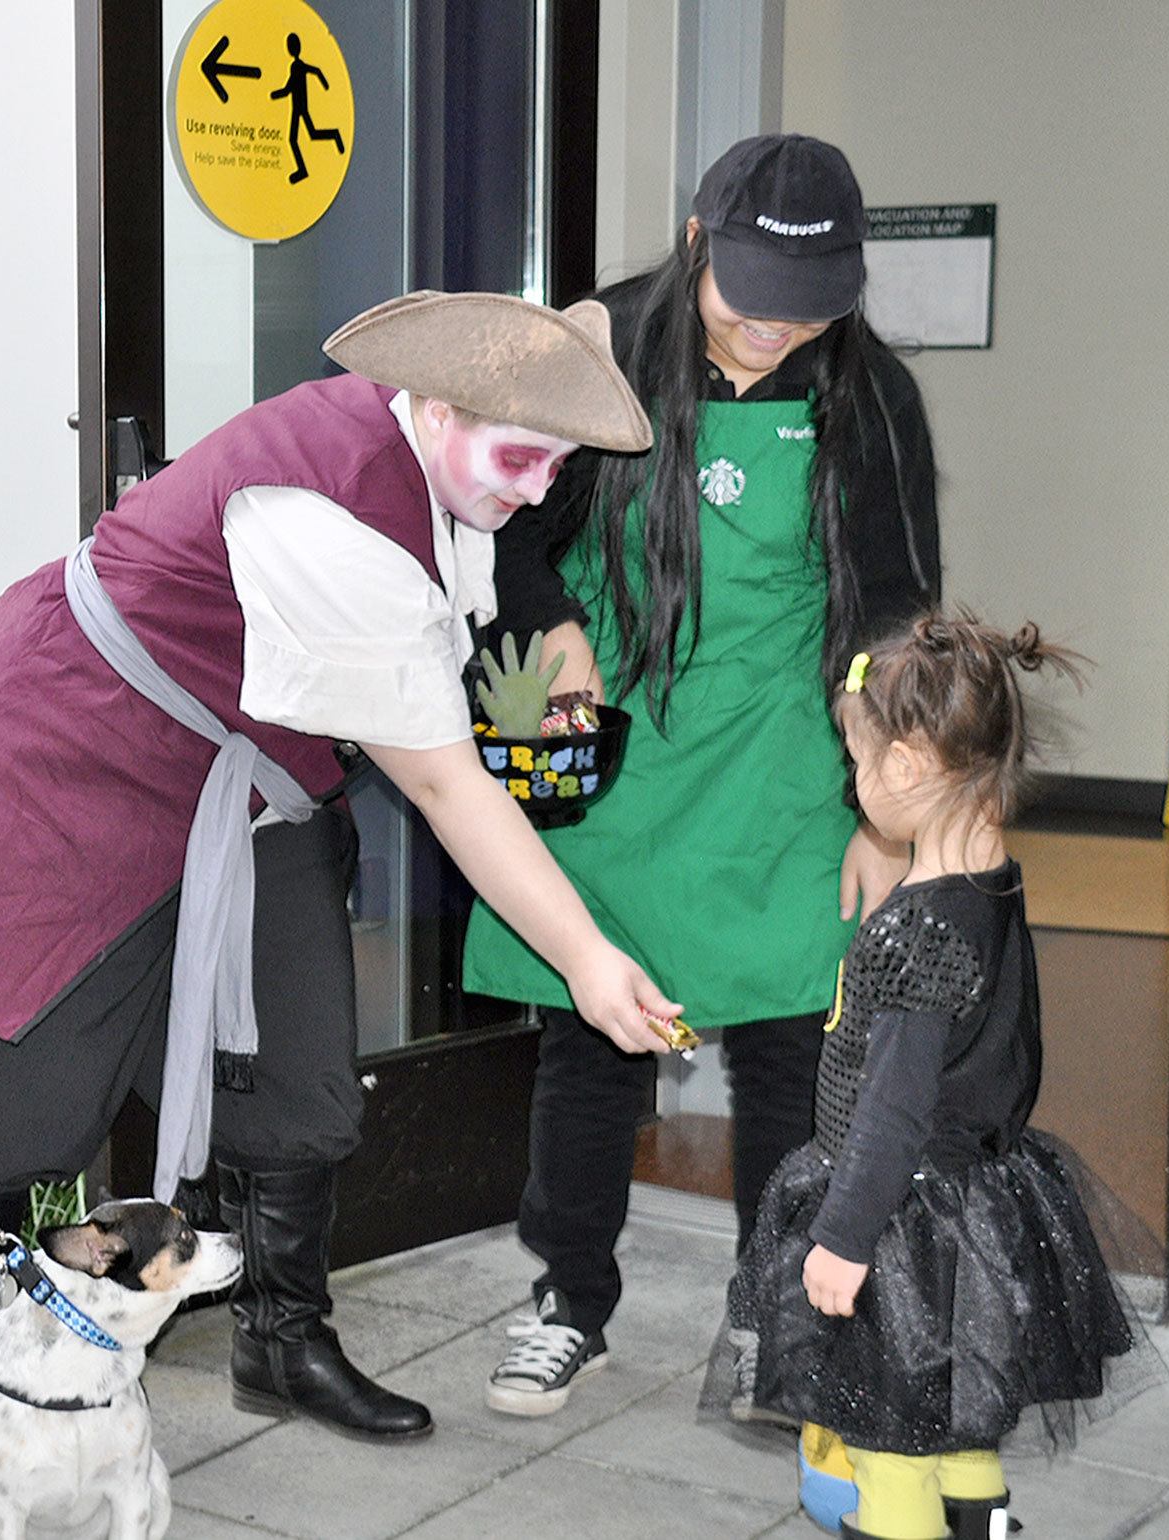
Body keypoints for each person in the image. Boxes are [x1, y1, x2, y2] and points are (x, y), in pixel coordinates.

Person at [0, 290, 684, 1488]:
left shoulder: (441, 463)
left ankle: (281, 1339)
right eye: (520, 458)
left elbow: (479, 592)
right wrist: (586, 955)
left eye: (556, 467)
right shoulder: (329, 510)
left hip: (239, 778)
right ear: (441, 406)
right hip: (59, 754)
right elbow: (447, 789)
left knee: (295, 1056)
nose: (531, 488)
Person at [463, 133, 941, 1417]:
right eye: (743, 304)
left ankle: (770, 1316)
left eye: (803, 313)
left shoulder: (869, 395)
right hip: (624, 735)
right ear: (692, 243)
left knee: (790, 1047)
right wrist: (552, 615)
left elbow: (895, 614)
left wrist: (881, 815)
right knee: (590, 1038)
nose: (766, 335)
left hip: (793, 754)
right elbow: (496, 523)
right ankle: (569, 1298)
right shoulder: (599, 346)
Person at [708, 614, 1161, 1540]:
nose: (854, 783)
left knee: (887, 1439)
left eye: (858, 762)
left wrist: (841, 1236)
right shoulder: (994, 883)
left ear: (908, 769)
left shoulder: (916, 929)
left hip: (899, 1220)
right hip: (980, 1203)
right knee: (963, 1412)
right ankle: (983, 1526)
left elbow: (894, 1109)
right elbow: (1009, 1043)